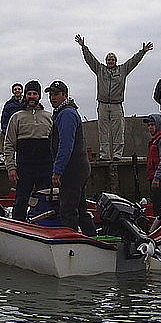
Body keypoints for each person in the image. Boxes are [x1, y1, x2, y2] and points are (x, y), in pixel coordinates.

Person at [75, 34, 153, 161]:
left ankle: (117, 155)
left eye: (112, 59)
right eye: (108, 60)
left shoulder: (123, 69)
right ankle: (104, 155)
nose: (110, 61)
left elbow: (133, 61)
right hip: (102, 104)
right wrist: (83, 46)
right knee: (103, 131)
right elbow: (90, 59)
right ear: (106, 61)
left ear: (115, 61)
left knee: (118, 131)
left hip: (117, 105)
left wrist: (142, 52)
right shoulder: (100, 69)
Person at [47, 80, 97, 236]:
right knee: (81, 209)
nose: (52, 98)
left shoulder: (66, 114)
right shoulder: (64, 113)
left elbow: (65, 145)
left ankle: (73, 244)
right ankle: (93, 238)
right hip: (79, 168)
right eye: (50, 95)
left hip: (72, 170)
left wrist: (57, 170)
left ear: (65, 95)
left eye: (56, 94)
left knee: (67, 210)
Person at [3, 80, 53, 221]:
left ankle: (44, 226)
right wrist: (11, 168)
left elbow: (56, 145)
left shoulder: (49, 117)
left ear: (39, 96)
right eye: (29, 93)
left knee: (46, 200)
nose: (31, 96)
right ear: (25, 95)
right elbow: (9, 145)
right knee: (21, 200)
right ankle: (18, 226)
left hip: (45, 167)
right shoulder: (16, 117)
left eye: (35, 93)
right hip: (24, 167)